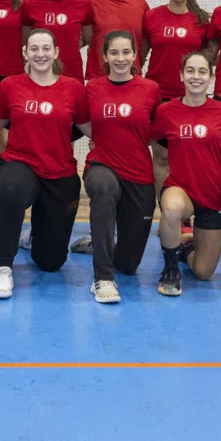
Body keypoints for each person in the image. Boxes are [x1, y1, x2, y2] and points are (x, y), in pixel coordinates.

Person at [0, 28, 90, 299]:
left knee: (50, 263)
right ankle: (3, 268)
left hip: (59, 172)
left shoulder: (74, 88)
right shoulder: (10, 86)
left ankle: (33, 235)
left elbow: (90, 128)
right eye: (34, 48)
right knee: (10, 189)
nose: (40, 54)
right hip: (19, 163)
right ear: (25, 53)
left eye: (46, 48)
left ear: (56, 52)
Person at [74, 31, 161, 303]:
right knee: (104, 188)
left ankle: (99, 246)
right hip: (102, 164)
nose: (120, 58)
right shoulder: (92, 88)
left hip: (138, 171)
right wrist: (99, 139)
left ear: (135, 55)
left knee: (129, 265)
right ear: (104, 57)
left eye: (126, 52)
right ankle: (102, 277)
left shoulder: (150, 89)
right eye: (114, 53)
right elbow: (82, 122)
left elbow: (153, 131)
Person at [151, 52, 221, 297]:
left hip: (212, 197)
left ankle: (182, 250)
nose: (195, 77)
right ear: (181, 75)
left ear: (210, 78)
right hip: (180, 189)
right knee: (172, 208)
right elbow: (141, 137)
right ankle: (170, 269)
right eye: (190, 71)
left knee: (203, 271)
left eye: (202, 72)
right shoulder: (167, 111)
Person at [21, 0, 94, 83]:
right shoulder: (31, 4)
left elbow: (89, 39)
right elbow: (26, 40)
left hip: (72, 73)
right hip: (40, 73)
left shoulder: (84, 3)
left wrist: (72, 41)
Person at [85, 0, 150, 82]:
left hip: (131, 77)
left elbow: (146, 40)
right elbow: (86, 38)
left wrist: (137, 61)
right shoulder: (93, 4)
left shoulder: (140, 4)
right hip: (99, 77)